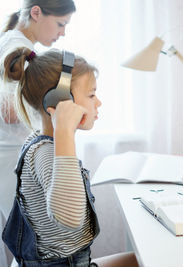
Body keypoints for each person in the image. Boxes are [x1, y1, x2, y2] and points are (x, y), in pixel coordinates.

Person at [1, 47, 139, 267]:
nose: (98, 102)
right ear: (60, 99)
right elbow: (70, 218)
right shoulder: (46, 153)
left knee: (140, 259)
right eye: (92, 95)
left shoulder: (44, 143)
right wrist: (64, 130)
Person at [0, 0, 76, 226]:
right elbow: (10, 111)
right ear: (36, 12)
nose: (63, 33)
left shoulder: (12, 41)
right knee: (29, 244)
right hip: (13, 159)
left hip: (12, 156)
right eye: (60, 24)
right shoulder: (18, 48)